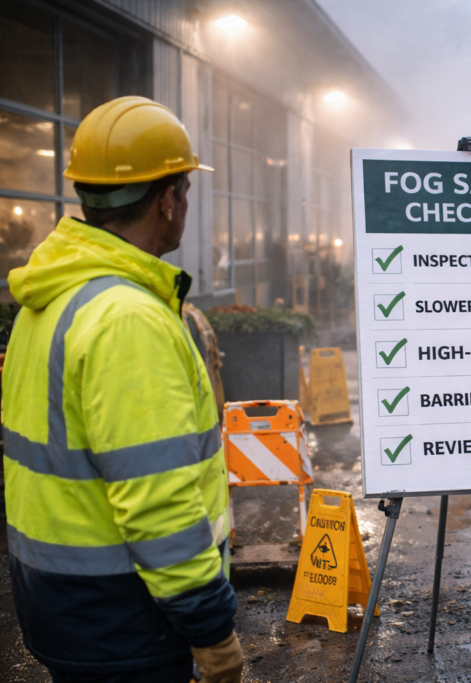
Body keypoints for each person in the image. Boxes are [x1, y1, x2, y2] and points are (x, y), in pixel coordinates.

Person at [2, 96, 242, 683]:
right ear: (168, 200)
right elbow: (158, 501)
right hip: (127, 623)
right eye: (186, 189)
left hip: (64, 607)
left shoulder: (52, 296)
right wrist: (212, 632)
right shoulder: (127, 319)